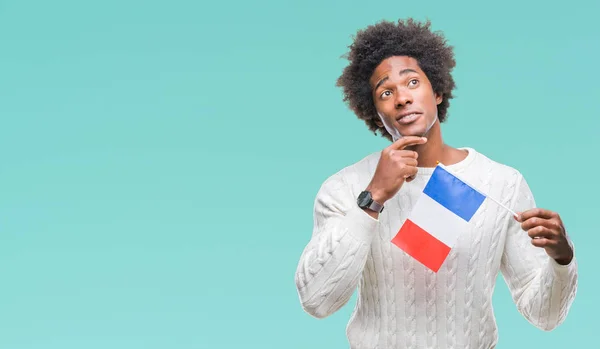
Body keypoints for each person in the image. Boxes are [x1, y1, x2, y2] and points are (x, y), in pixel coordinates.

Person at [294, 18, 578, 349]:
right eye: (386, 92)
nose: (401, 98)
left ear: (438, 91)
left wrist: (562, 259)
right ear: (375, 112)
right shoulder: (345, 187)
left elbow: (544, 315)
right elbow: (317, 300)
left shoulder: (500, 183)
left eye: (412, 82)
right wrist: (373, 197)